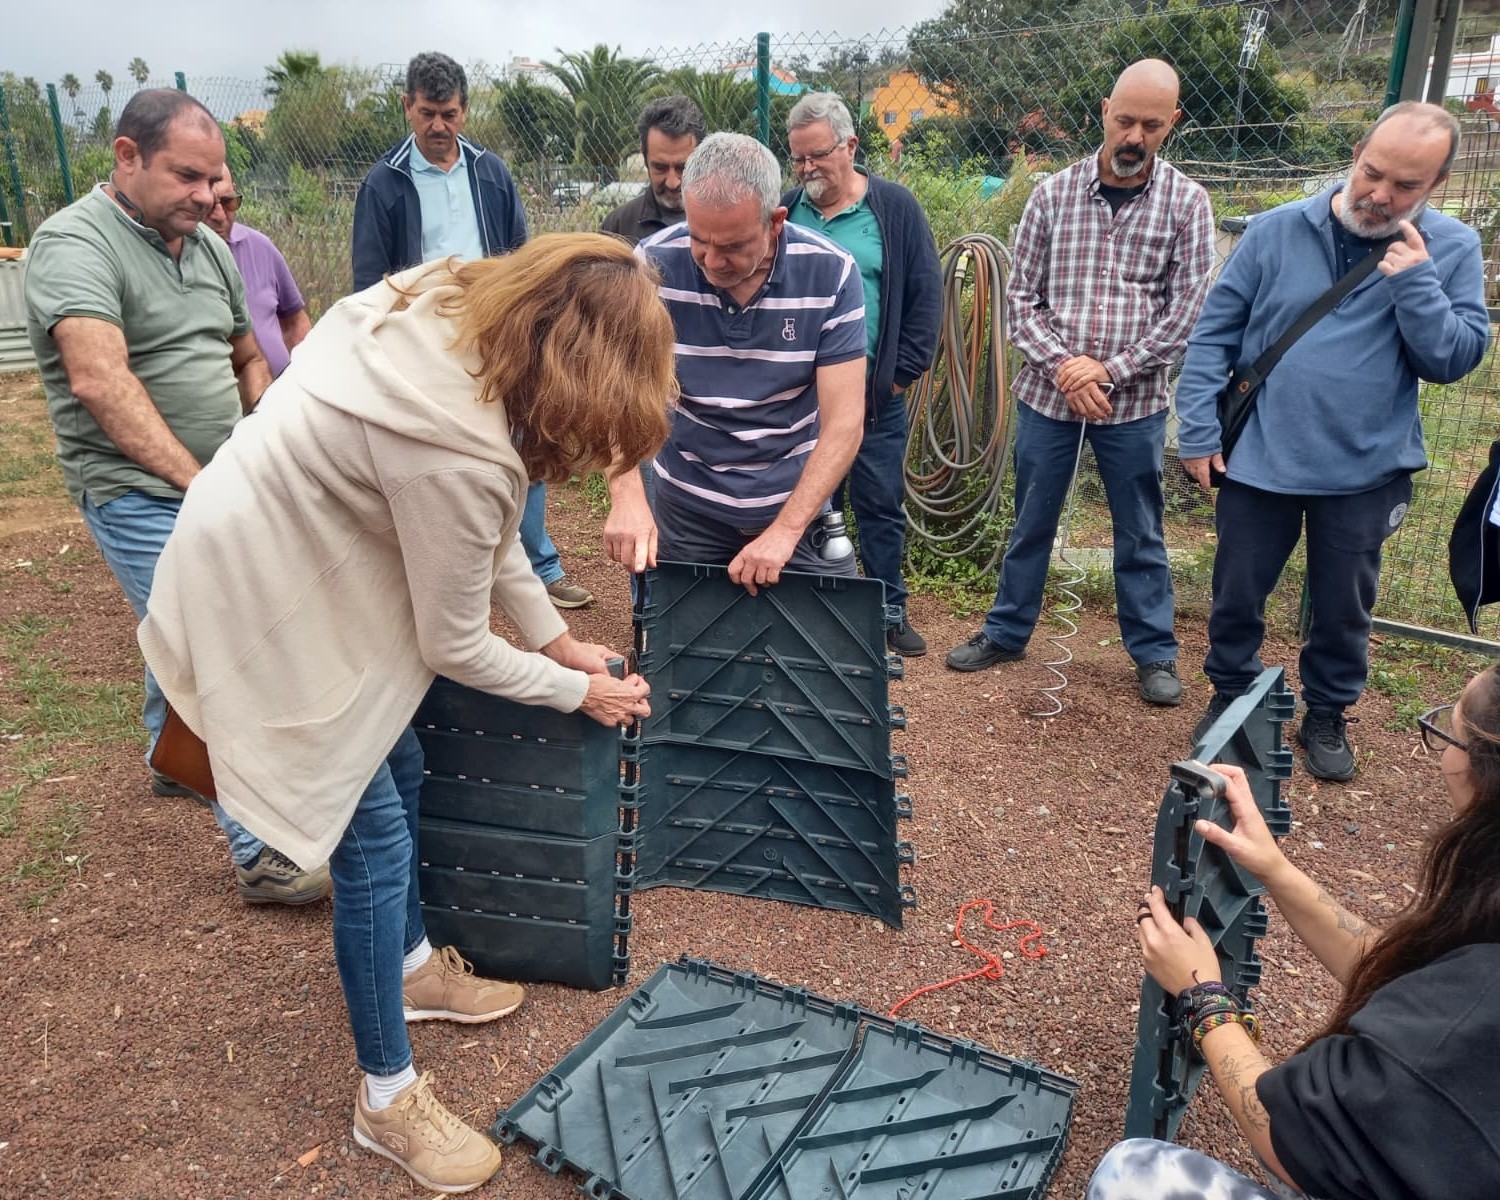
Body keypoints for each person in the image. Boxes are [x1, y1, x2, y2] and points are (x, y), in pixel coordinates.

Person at [138, 235, 671, 1194]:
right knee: (372, 840)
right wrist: (578, 689)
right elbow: (455, 644)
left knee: (405, 760)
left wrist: (555, 639)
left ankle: (415, 967)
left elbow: (490, 528)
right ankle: (386, 1098)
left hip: (289, 544)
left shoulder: (452, 305)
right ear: (575, 378)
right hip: (265, 595)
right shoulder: (456, 453)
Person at [23, 88, 327, 907]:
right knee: (218, 641)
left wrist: (263, 437)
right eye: (187, 177)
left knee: (188, 626)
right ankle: (262, 850)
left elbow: (247, 356)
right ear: (127, 158)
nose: (207, 195)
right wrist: (200, 484)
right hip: (133, 489)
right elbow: (99, 380)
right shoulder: (74, 243)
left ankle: (172, 752)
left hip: (223, 478)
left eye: (214, 178)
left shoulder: (207, 247)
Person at [1091, 664, 1500, 1200]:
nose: (1441, 754)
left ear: (1482, 772)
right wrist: (1273, 868)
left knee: (1133, 1175)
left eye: (1448, 732)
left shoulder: (1469, 1012)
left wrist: (1203, 997)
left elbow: (1292, 1139)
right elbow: (1407, 979)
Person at [1177, 101, 1488, 780]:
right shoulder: (1275, 229)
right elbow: (1213, 335)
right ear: (1355, 155)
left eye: (1405, 186)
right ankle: (1231, 693)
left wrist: (1416, 281)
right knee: (1237, 590)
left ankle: (1326, 710)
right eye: (1372, 172)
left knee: (1346, 605)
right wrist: (1197, 430)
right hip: (1260, 457)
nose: (1380, 195)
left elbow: (1452, 359)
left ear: (1436, 185)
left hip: (1365, 468)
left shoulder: (1451, 247)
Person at [945, 60, 1214, 705]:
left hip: (1135, 402)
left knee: (1140, 529)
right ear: (1104, 111)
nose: (1134, 136)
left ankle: (1153, 652)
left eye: (1152, 125)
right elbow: (1019, 301)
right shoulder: (1051, 195)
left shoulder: (1188, 204)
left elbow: (1188, 311)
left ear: (1173, 123)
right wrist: (1066, 368)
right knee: (1031, 518)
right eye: (1125, 120)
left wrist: (1110, 370)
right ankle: (1007, 631)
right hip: (1048, 395)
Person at [353, 50, 593, 609]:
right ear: (407, 106)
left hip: (493, 327)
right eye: (427, 113)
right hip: (422, 340)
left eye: (450, 114)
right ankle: (451, 571)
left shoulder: (490, 172)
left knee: (521, 438)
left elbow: (520, 254)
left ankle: (541, 567)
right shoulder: (384, 183)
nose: (439, 126)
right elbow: (368, 280)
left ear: (464, 110)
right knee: (435, 453)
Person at [605, 132, 866, 594]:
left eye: (731, 246)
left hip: (793, 506)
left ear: (775, 222)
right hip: (687, 506)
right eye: (698, 239)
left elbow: (844, 423)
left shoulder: (831, 273)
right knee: (678, 635)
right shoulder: (651, 266)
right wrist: (627, 495)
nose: (711, 260)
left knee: (815, 638)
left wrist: (785, 532)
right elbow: (617, 392)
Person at [781, 93, 942, 656]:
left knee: (879, 505)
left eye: (818, 155)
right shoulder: (786, 211)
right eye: (798, 158)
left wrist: (895, 378)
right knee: (805, 503)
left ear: (850, 146)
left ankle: (887, 610)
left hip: (873, 401)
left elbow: (925, 299)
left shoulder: (894, 209)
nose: (807, 169)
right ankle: (812, 609)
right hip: (798, 404)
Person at [205, 165, 311, 378]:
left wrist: (305, 378)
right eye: (209, 206)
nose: (220, 215)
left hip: (281, 390)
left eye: (229, 202)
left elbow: (296, 323)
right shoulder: (178, 259)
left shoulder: (260, 247)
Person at [600, 94, 705, 246]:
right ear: (645, 158)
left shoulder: (724, 220)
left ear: (701, 159)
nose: (672, 183)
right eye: (660, 168)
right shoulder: (618, 228)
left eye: (683, 168)